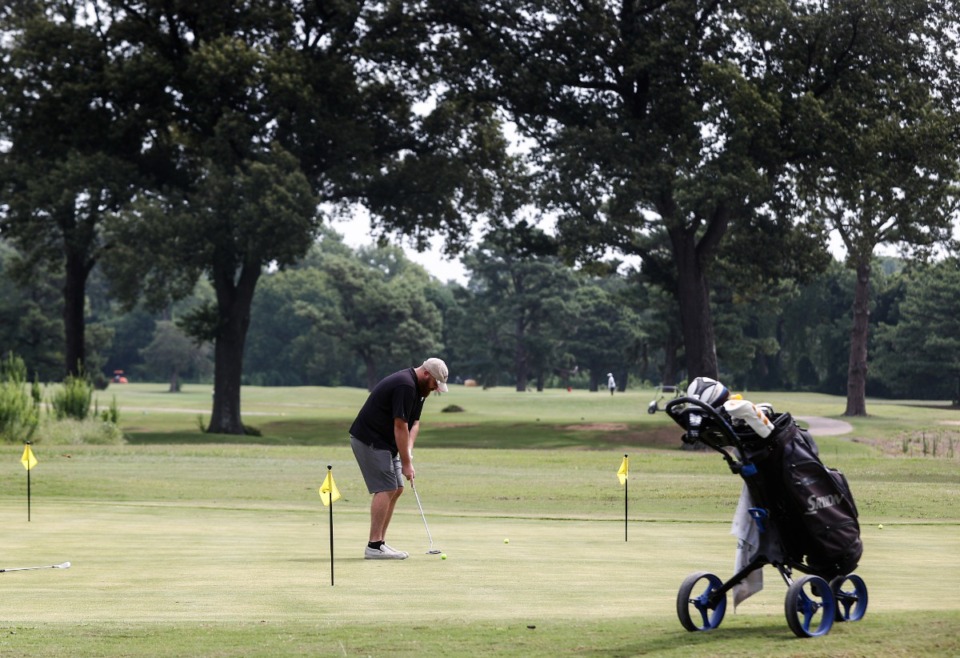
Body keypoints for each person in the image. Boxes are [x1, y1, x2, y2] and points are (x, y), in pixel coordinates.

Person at [349, 358, 449, 560]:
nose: (436, 388)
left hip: (387, 442)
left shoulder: (422, 390)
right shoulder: (405, 385)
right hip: (370, 439)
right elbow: (400, 426)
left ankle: (380, 543)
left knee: (397, 487)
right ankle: (374, 546)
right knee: (386, 488)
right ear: (427, 374)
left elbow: (414, 424)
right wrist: (406, 463)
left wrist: (408, 451)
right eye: (435, 383)